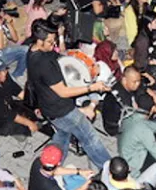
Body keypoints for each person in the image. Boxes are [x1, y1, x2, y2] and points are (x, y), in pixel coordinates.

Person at [26, 19, 112, 166]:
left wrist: (60, 37)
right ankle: (110, 171)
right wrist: (92, 87)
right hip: (62, 110)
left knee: (63, 135)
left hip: (49, 107)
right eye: (50, 41)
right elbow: (63, 92)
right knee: (90, 138)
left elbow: (62, 56)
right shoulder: (43, 64)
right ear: (40, 41)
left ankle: (51, 166)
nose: (53, 45)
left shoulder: (32, 51)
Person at [0, 57, 39, 137]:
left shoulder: (3, 76)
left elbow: (16, 90)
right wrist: (29, 123)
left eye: (4, 70)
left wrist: (33, 104)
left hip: (6, 104)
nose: (4, 73)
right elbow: (7, 114)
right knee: (13, 126)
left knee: (28, 109)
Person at [28, 145, 95, 190]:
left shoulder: (38, 162)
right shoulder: (51, 188)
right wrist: (85, 186)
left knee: (70, 167)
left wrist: (79, 172)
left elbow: (56, 171)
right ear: (59, 163)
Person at [101, 66, 156, 136]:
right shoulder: (118, 97)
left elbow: (149, 92)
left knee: (145, 98)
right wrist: (155, 111)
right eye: (135, 82)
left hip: (133, 117)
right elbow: (134, 118)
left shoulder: (133, 84)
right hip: (117, 126)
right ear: (124, 80)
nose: (137, 84)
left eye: (138, 81)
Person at [118, 110, 156, 175]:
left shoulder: (133, 117)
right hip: (136, 166)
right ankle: (154, 172)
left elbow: (151, 126)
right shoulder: (143, 130)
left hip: (134, 153)